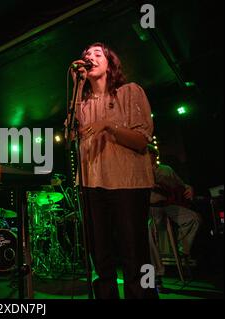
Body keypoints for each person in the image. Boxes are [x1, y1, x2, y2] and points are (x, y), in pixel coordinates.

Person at [68, 42, 158, 298]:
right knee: (101, 258)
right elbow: (70, 130)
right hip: (92, 184)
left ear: (110, 63)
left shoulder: (129, 92)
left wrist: (108, 125)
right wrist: (76, 87)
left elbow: (142, 139)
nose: (90, 58)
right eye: (86, 54)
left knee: (134, 257)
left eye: (98, 54)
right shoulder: (82, 104)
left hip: (127, 184)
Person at [147, 144, 201, 288]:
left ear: (155, 156)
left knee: (193, 218)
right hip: (151, 209)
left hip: (168, 205)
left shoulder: (166, 170)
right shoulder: (140, 171)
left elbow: (182, 185)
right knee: (148, 231)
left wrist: (189, 188)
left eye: (151, 154)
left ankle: (182, 249)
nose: (149, 156)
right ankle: (158, 273)